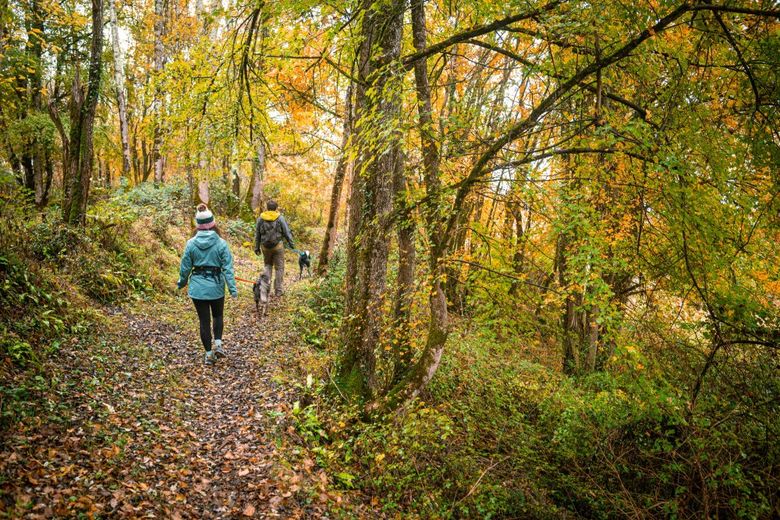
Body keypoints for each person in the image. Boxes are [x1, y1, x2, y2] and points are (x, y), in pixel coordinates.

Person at [178, 204, 238, 365]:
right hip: (216, 287)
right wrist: (232, 289)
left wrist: (181, 283)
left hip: (197, 289)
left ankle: (209, 354)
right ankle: (218, 343)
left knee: (204, 321)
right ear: (213, 223)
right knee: (218, 315)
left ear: (198, 225)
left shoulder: (191, 243)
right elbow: (228, 269)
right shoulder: (221, 243)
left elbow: (185, 268)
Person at [254, 199, 294, 297]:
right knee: (279, 268)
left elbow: (257, 234)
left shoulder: (261, 218)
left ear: (267, 208)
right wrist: (291, 243)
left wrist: (257, 247)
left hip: (265, 247)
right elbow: (286, 232)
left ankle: (265, 288)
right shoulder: (280, 218)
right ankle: (278, 291)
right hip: (278, 247)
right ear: (276, 208)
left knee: (267, 265)